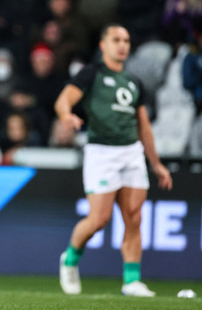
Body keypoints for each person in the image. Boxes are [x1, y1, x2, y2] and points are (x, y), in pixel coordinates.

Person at [54, 24, 173, 297]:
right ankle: (70, 258)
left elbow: (144, 126)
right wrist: (66, 116)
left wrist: (156, 164)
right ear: (103, 45)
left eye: (126, 40)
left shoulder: (134, 82)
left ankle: (132, 280)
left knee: (134, 217)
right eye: (116, 39)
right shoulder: (92, 73)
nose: (122, 45)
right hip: (101, 152)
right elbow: (63, 100)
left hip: (131, 152)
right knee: (99, 219)